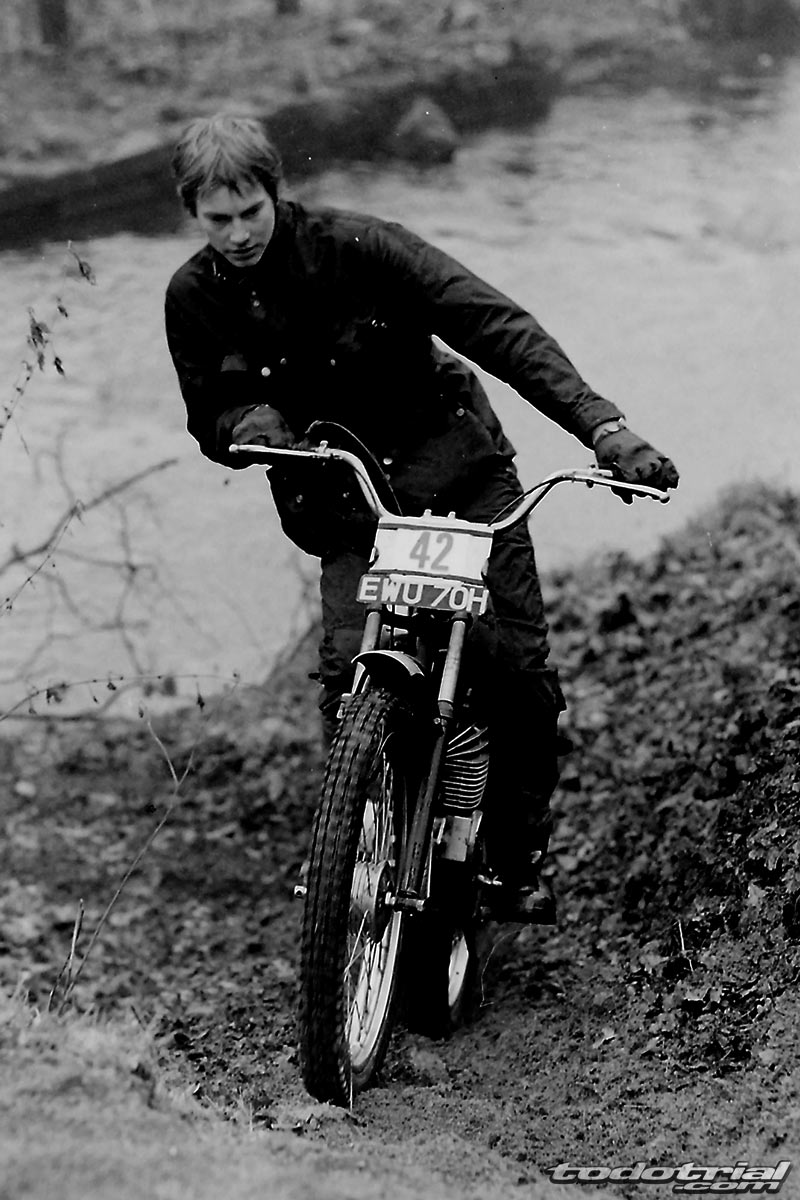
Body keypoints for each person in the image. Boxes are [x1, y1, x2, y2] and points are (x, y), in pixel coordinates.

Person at [164, 113, 679, 924]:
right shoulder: (193, 297)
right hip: (349, 498)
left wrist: (603, 427)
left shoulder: (364, 247)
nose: (236, 234)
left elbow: (495, 325)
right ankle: (354, 845)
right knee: (348, 683)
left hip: (459, 474)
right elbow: (210, 415)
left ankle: (514, 857)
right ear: (192, 211)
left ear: (276, 191)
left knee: (519, 679)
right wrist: (246, 424)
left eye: (250, 212)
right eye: (216, 218)